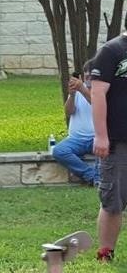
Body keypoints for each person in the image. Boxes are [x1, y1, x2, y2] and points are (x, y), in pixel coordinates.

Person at [90, 28, 127, 261]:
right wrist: (101, 135)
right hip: (117, 141)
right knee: (113, 200)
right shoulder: (112, 50)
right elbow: (97, 94)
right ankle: (105, 253)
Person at [50, 63, 98, 187]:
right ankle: (91, 175)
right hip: (76, 140)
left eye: (91, 72)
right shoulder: (77, 93)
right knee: (59, 151)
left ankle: (99, 178)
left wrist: (82, 89)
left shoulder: (102, 92)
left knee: (111, 150)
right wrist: (72, 95)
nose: (87, 75)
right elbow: (69, 112)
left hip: (97, 139)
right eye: (85, 72)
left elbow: (97, 105)